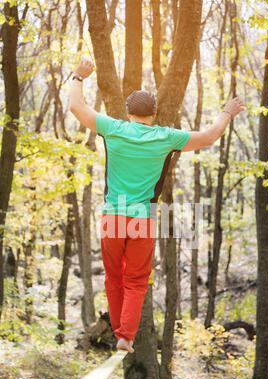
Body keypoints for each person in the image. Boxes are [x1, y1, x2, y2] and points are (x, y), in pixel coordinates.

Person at [69, 57, 245, 353]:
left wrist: (77, 76)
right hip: (144, 220)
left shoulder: (113, 129)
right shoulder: (166, 137)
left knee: (113, 278)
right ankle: (125, 337)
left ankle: (116, 330)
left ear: (128, 113)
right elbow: (209, 137)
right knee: (136, 281)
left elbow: (76, 107)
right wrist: (226, 113)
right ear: (154, 113)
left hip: (113, 216)